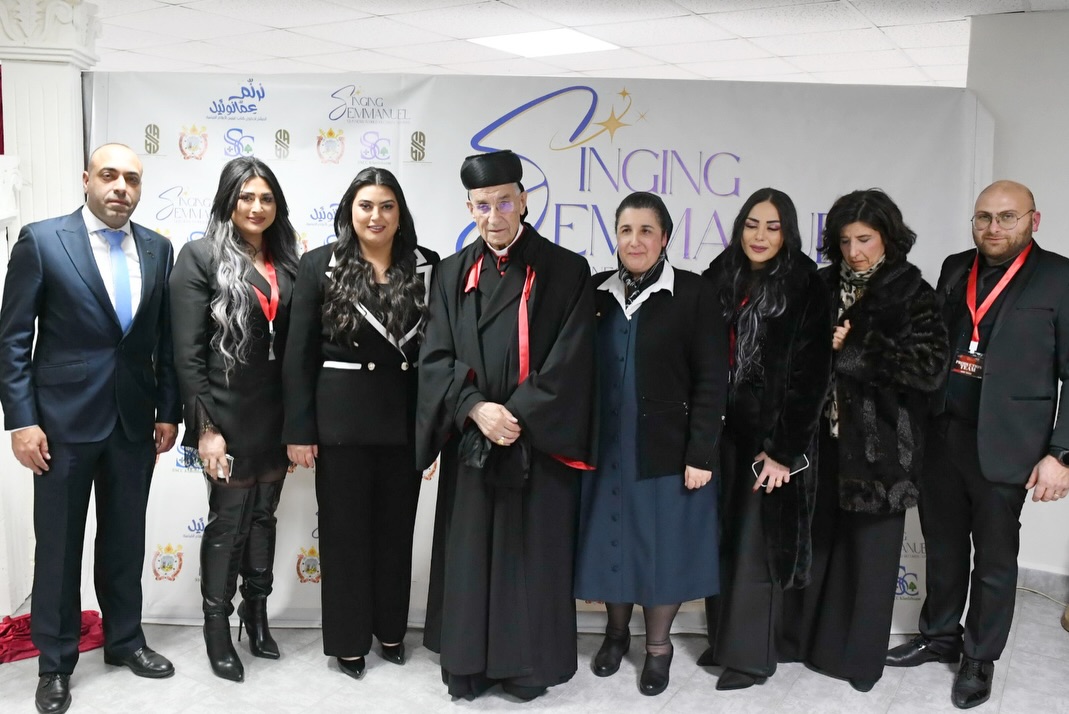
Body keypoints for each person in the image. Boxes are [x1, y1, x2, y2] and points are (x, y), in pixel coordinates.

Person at [0, 143, 180, 714]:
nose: (120, 187)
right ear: (86, 180)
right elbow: (13, 341)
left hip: (133, 422)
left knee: (125, 540)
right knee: (58, 548)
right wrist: (22, 421)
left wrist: (168, 411)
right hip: (60, 426)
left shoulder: (158, 248)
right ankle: (55, 663)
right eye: (109, 175)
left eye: (132, 178)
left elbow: (165, 341)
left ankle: (125, 640)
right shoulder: (42, 241)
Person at [416, 149, 597, 702]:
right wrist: (476, 408)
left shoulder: (566, 270)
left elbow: (572, 360)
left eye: (503, 202)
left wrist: (515, 415)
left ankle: (526, 669)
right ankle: (468, 665)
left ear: (523, 200)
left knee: (531, 558)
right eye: (481, 205)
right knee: (470, 555)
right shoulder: (451, 273)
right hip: (474, 437)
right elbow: (435, 356)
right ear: (468, 208)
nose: (493, 216)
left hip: (535, 441)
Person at [885, 180, 1069, 709]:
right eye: (984, 216)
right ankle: (940, 635)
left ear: (1033, 220)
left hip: (1010, 446)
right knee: (943, 548)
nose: (993, 227)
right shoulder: (954, 267)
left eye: (1007, 217)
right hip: (943, 435)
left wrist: (1060, 454)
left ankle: (979, 656)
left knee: (993, 558)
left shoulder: (1060, 279)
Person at [283, 167, 438, 681]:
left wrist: (433, 429)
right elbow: (298, 354)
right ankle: (349, 640)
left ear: (400, 213)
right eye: (366, 205)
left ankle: (390, 630)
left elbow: (437, 355)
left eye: (387, 206)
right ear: (350, 211)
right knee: (344, 536)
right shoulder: (319, 264)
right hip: (340, 424)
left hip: (403, 423)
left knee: (396, 533)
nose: (376, 216)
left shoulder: (427, 266)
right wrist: (299, 430)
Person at [574, 191, 728, 697]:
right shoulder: (595, 291)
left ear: (664, 238)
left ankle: (658, 649)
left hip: (668, 449)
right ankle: (616, 635)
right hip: (605, 448)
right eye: (625, 230)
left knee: (662, 550)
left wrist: (701, 453)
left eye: (646, 231)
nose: (634, 240)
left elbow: (712, 379)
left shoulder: (694, 293)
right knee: (612, 541)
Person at [798, 189, 948, 692]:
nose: (855, 251)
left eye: (864, 239)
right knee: (821, 552)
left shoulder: (912, 292)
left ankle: (861, 663)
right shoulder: (820, 285)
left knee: (872, 563)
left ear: (887, 237)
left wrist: (859, 350)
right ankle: (813, 649)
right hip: (821, 445)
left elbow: (929, 370)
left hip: (883, 452)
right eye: (845, 241)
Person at [170, 156, 300, 682]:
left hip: (275, 416)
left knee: (264, 517)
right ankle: (216, 627)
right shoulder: (199, 256)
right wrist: (206, 429)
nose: (256, 206)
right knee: (228, 522)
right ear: (228, 201)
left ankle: (257, 613)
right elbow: (186, 355)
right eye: (246, 196)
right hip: (225, 415)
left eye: (266, 198)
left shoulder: (288, 261)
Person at [698, 187, 832, 690]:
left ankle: (751, 659)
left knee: (758, 548)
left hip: (772, 441)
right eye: (752, 224)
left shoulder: (806, 284)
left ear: (787, 233)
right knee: (723, 540)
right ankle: (723, 641)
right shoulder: (720, 274)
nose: (759, 236)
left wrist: (782, 452)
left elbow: (812, 377)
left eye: (772, 227)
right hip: (721, 436)